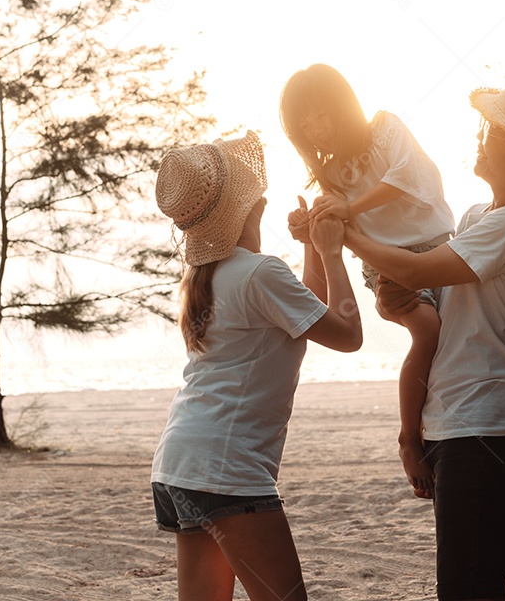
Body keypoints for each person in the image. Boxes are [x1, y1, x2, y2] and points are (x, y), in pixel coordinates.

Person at [346, 70, 505, 600]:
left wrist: (346, 229)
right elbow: (438, 299)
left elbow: (416, 270)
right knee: (467, 581)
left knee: (469, 585)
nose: (480, 139)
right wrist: (399, 302)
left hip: (482, 430)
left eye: (493, 133)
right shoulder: (480, 216)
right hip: (457, 423)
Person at [149, 131, 362, 601]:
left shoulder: (210, 276)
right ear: (252, 208)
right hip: (226, 470)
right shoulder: (260, 272)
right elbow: (348, 336)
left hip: (181, 461)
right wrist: (331, 250)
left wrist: (308, 244)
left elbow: (306, 313)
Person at [279, 62, 455, 497]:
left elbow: (406, 178)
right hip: (386, 261)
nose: (318, 130)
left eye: (323, 116)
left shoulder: (385, 128)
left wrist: (348, 209)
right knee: (428, 331)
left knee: (456, 341)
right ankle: (408, 439)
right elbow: (336, 233)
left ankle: (447, 430)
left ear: (343, 106)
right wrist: (310, 222)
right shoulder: (331, 174)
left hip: (440, 249)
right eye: (307, 126)